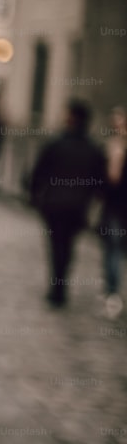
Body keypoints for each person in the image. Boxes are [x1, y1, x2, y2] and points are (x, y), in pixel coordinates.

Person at [30, 99, 107, 307]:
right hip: (77, 207)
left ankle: (57, 287)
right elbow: (101, 182)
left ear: (72, 118)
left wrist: (35, 197)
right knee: (68, 246)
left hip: (55, 205)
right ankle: (60, 285)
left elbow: (38, 173)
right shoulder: (93, 149)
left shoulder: (55, 143)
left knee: (57, 246)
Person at [99, 106, 127, 318]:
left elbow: (113, 178)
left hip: (116, 207)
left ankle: (112, 294)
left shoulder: (118, 146)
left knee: (113, 250)